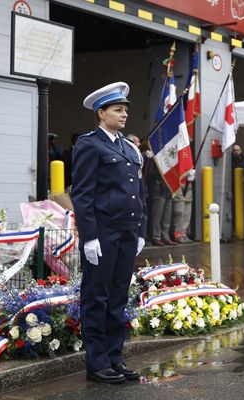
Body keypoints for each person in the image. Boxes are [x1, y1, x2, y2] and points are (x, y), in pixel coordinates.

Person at [72, 82, 147, 384]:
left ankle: (115, 358)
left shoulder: (127, 147)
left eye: (126, 109)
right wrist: (89, 236)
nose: (124, 113)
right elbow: (83, 194)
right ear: (101, 113)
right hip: (103, 234)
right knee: (97, 297)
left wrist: (140, 229)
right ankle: (97, 363)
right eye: (118, 109)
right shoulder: (89, 145)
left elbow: (138, 191)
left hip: (126, 232)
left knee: (117, 297)